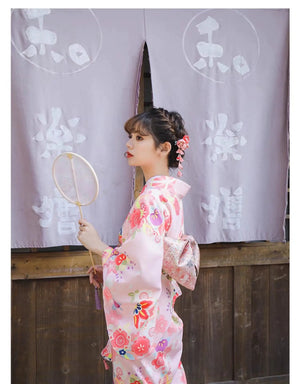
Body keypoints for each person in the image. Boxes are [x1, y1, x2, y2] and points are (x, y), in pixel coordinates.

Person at [77, 107, 200, 384]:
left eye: (139, 137)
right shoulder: (170, 195)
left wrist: (101, 248)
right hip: (163, 318)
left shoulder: (150, 200)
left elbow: (142, 266)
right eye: (130, 136)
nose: (129, 143)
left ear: (164, 147)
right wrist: (109, 270)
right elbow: (152, 262)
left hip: (145, 326)